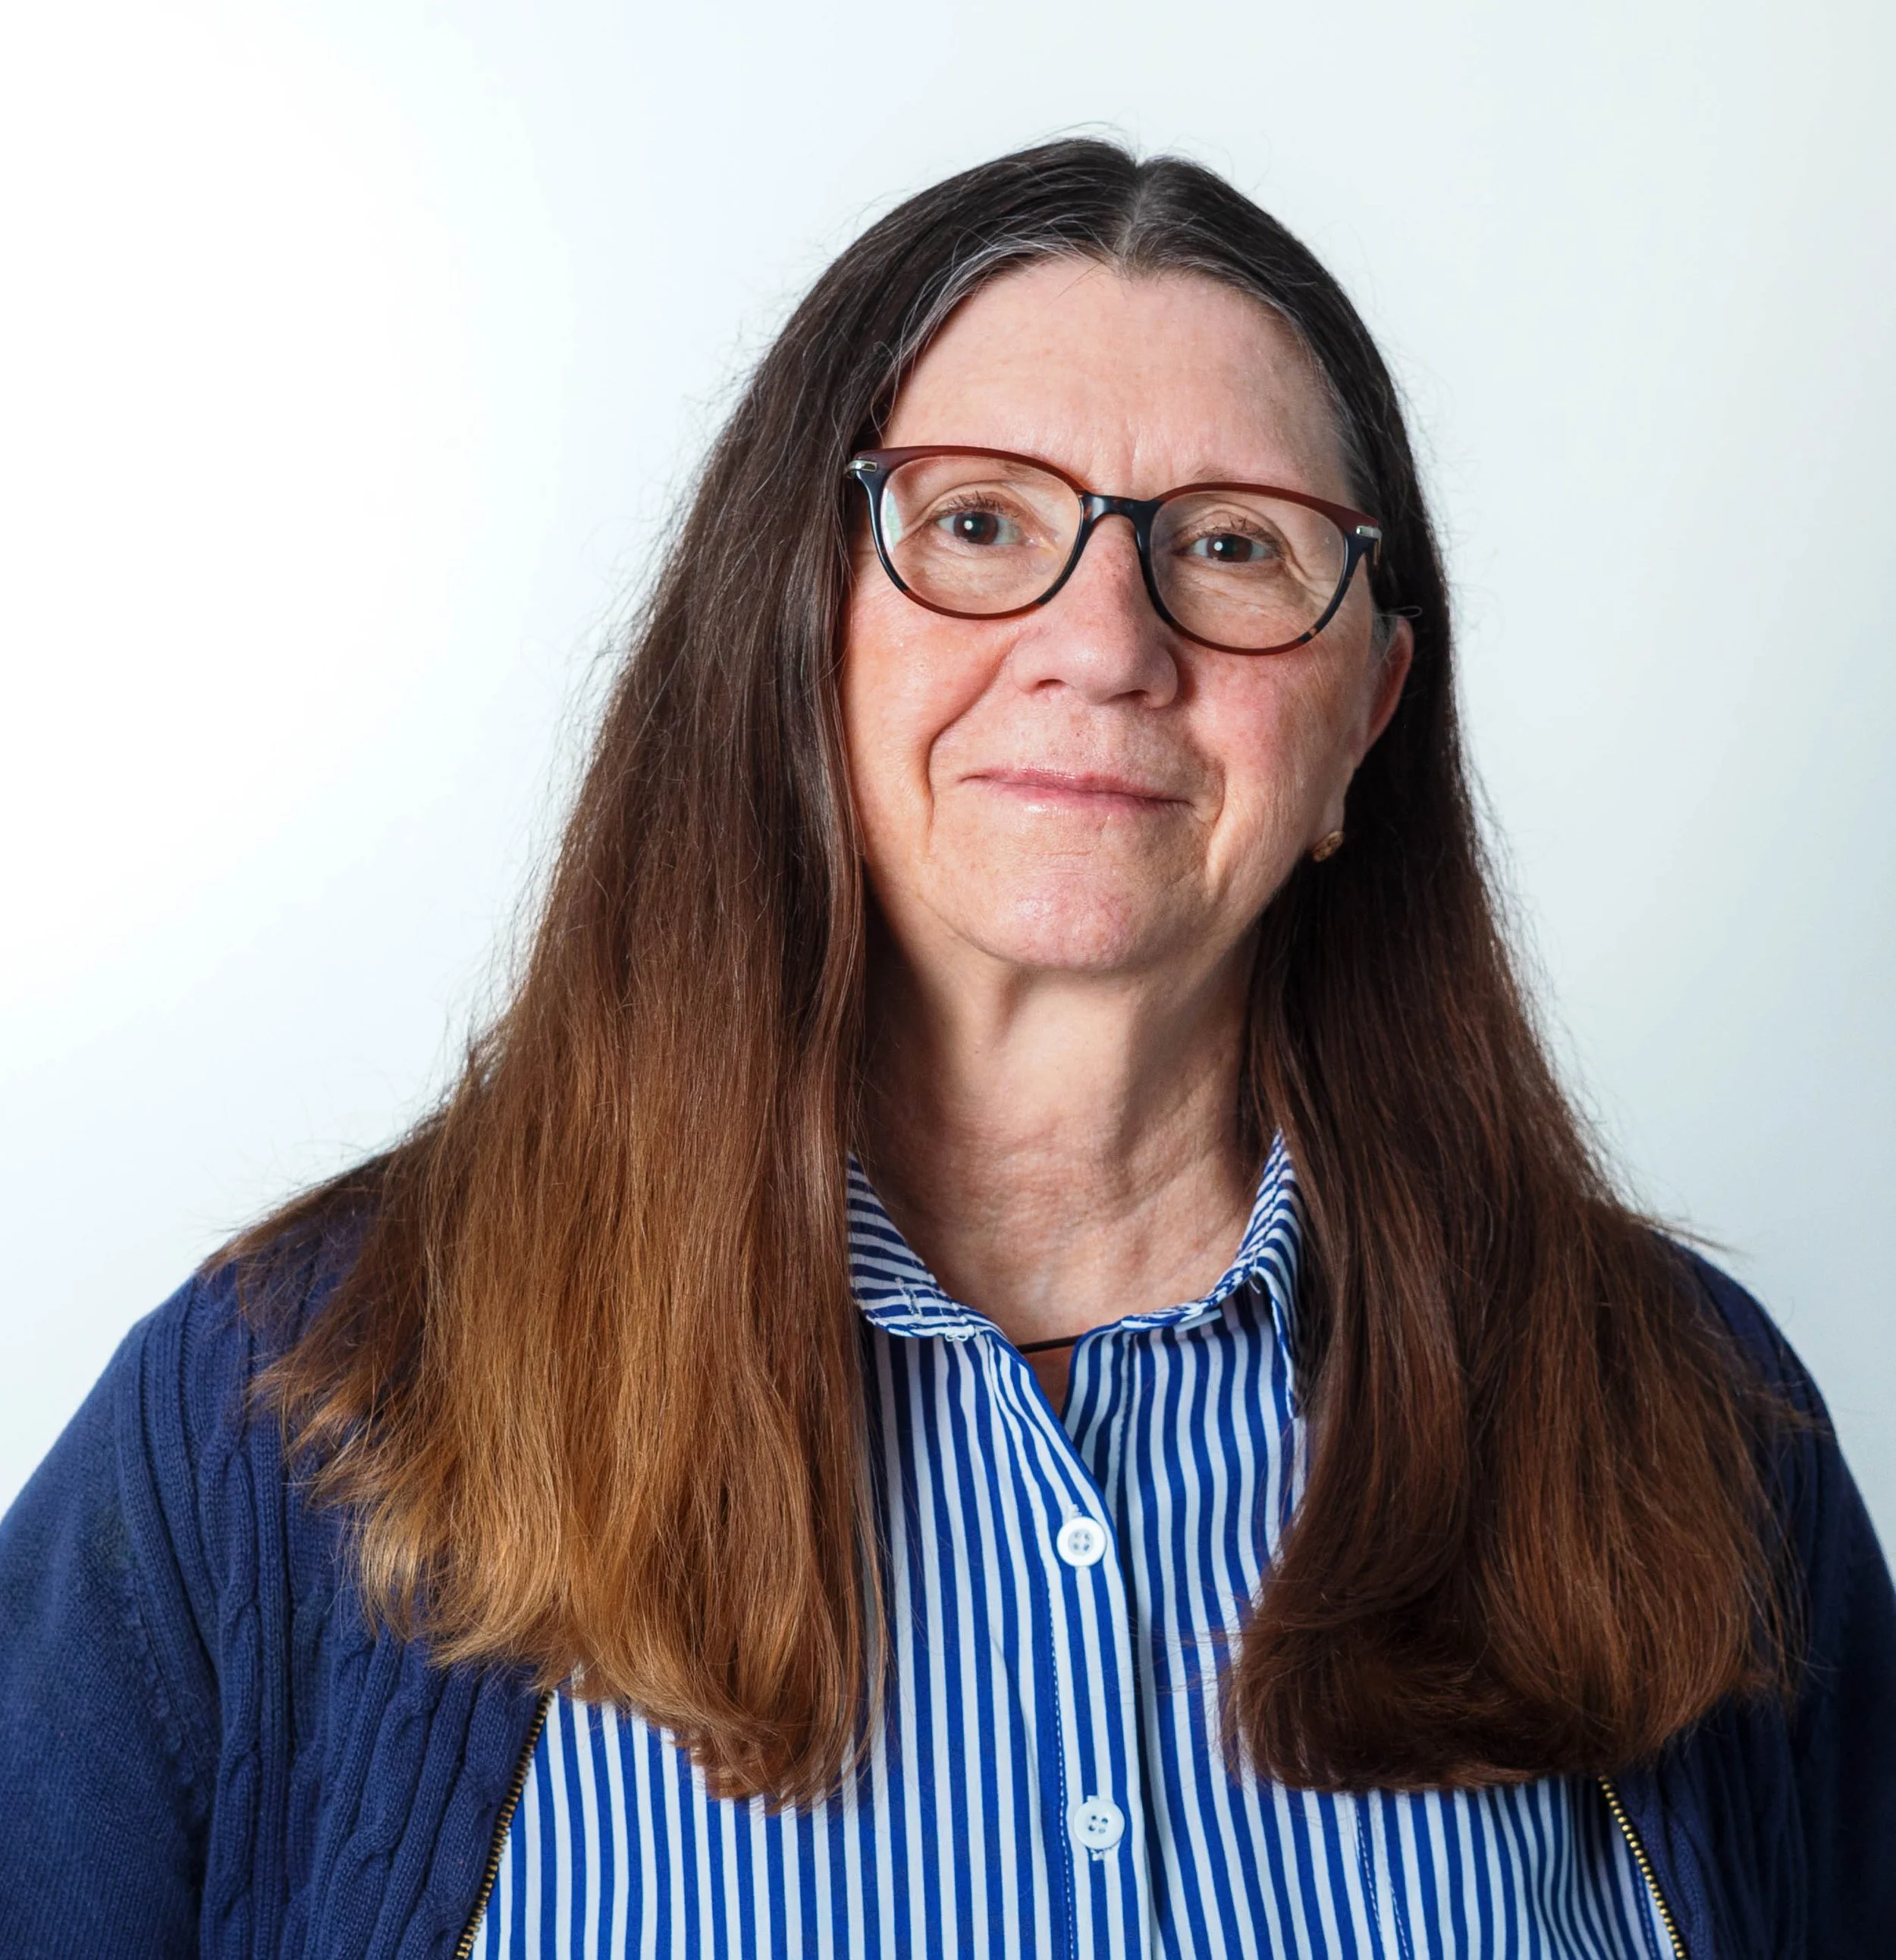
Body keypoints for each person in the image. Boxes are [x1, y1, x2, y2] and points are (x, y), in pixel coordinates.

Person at [1, 139, 1890, 1959]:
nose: (1102, 640)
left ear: (1365, 712)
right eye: (977, 522)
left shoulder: (1685, 1423)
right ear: (789, 628)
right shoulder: (284, 1416)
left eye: (1232, 547)